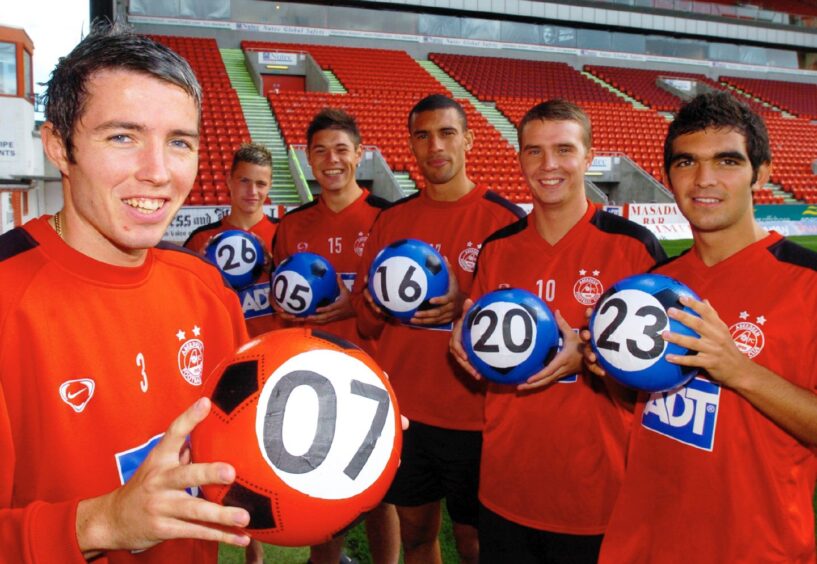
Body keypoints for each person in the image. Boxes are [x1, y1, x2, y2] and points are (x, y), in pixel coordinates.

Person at [0, 24, 252, 562]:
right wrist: (103, 524)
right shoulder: (6, 299)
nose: (158, 172)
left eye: (179, 142)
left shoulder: (206, 288)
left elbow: (247, 436)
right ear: (58, 147)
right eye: (123, 136)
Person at [592, 91, 817, 562]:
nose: (704, 179)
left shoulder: (807, 285)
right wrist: (599, 362)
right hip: (642, 543)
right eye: (686, 162)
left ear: (762, 173)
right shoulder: (651, 286)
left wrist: (739, 370)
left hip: (756, 548)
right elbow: (638, 407)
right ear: (669, 176)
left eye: (727, 161)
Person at [449, 99, 666, 563]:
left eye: (564, 150)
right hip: (506, 487)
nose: (548, 165)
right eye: (533, 151)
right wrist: (462, 343)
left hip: (599, 495)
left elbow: (667, 380)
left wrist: (592, 363)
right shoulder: (498, 250)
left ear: (589, 157)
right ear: (520, 158)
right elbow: (482, 355)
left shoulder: (634, 250)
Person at [353, 94, 525, 564]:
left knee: (475, 544)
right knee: (416, 536)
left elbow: (523, 331)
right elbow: (366, 324)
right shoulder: (391, 222)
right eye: (423, 136)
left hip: (476, 418)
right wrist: (379, 303)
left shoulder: (506, 222)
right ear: (411, 144)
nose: (435, 146)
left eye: (447, 133)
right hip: (406, 414)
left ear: (468, 139)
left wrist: (462, 310)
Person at [271, 108, 398, 563]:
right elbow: (282, 306)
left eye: (341, 149)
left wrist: (356, 305)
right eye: (320, 151)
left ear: (360, 154)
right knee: (321, 485)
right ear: (307, 158)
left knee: (381, 493)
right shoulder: (292, 225)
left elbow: (398, 306)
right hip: (315, 378)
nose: (331, 160)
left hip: (374, 375)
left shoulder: (389, 219)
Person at [183, 142, 277, 336]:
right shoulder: (200, 239)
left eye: (260, 184)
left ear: (270, 186)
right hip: (225, 353)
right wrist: (200, 273)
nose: (252, 191)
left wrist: (275, 268)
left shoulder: (285, 232)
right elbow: (184, 303)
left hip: (277, 351)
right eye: (244, 181)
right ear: (229, 181)